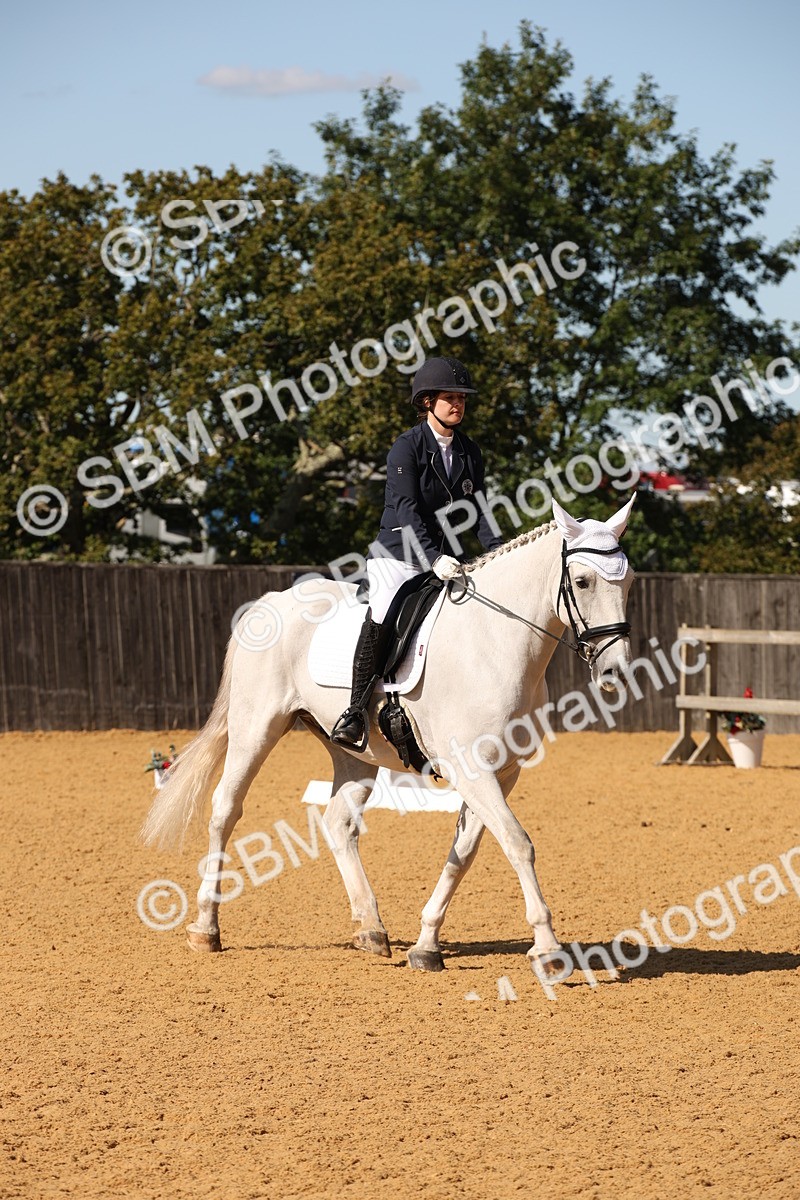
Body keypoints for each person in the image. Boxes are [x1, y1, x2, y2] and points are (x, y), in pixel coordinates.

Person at [331, 355, 503, 749]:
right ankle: (355, 711)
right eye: (448, 397)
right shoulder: (406, 447)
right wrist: (432, 557)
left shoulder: (469, 452)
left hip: (443, 558)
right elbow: (407, 510)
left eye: (462, 398)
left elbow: (478, 509)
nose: (457, 404)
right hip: (398, 554)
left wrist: (498, 551)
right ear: (427, 401)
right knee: (384, 611)